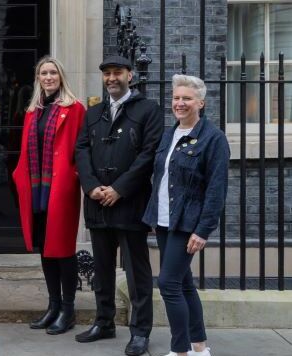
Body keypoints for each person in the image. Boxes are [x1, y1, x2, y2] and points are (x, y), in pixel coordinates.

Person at [75, 55, 163, 356]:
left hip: (130, 204)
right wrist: (91, 187)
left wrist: (119, 188)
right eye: (107, 74)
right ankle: (104, 321)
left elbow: (149, 154)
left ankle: (140, 332)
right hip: (98, 202)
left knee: (137, 273)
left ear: (130, 75)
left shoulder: (149, 110)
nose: (112, 78)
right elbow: (82, 150)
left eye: (117, 73)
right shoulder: (93, 113)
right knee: (101, 269)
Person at [142, 75, 229, 356]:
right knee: (184, 283)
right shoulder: (170, 134)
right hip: (166, 221)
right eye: (176, 98)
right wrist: (155, 217)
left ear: (200, 103)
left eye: (187, 98)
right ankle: (199, 346)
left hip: (188, 223)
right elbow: (161, 178)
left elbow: (216, 190)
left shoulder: (213, 139)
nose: (180, 103)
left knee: (168, 284)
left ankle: (180, 351)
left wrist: (203, 230)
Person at [12, 56, 86, 335]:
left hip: (61, 187)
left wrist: (75, 176)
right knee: (45, 247)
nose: (48, 77)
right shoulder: (34, 110)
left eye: (53, 72)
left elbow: (81, 148)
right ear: (38, 78)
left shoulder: (75, 108)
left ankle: (68, 309)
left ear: (61, 76)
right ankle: (53, 305)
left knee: (63, 249)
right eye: (44, 73)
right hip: (36, 188)